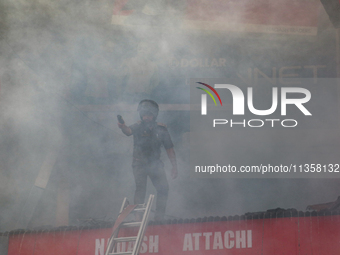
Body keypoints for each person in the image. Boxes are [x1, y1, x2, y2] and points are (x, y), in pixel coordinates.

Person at [118, 100, 178, 220]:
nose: (146, 117)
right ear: (141, 115)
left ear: (154, 115)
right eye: (144, 115)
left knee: (164, 188)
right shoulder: (138, 126)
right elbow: (128, 131)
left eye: (149, 115)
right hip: (139, 163)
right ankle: (138, 217)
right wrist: (123, 126)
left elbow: (169, 148)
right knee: (141, 189)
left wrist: (174, 166)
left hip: (155, 164)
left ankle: (159, 217)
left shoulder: (161, 129)